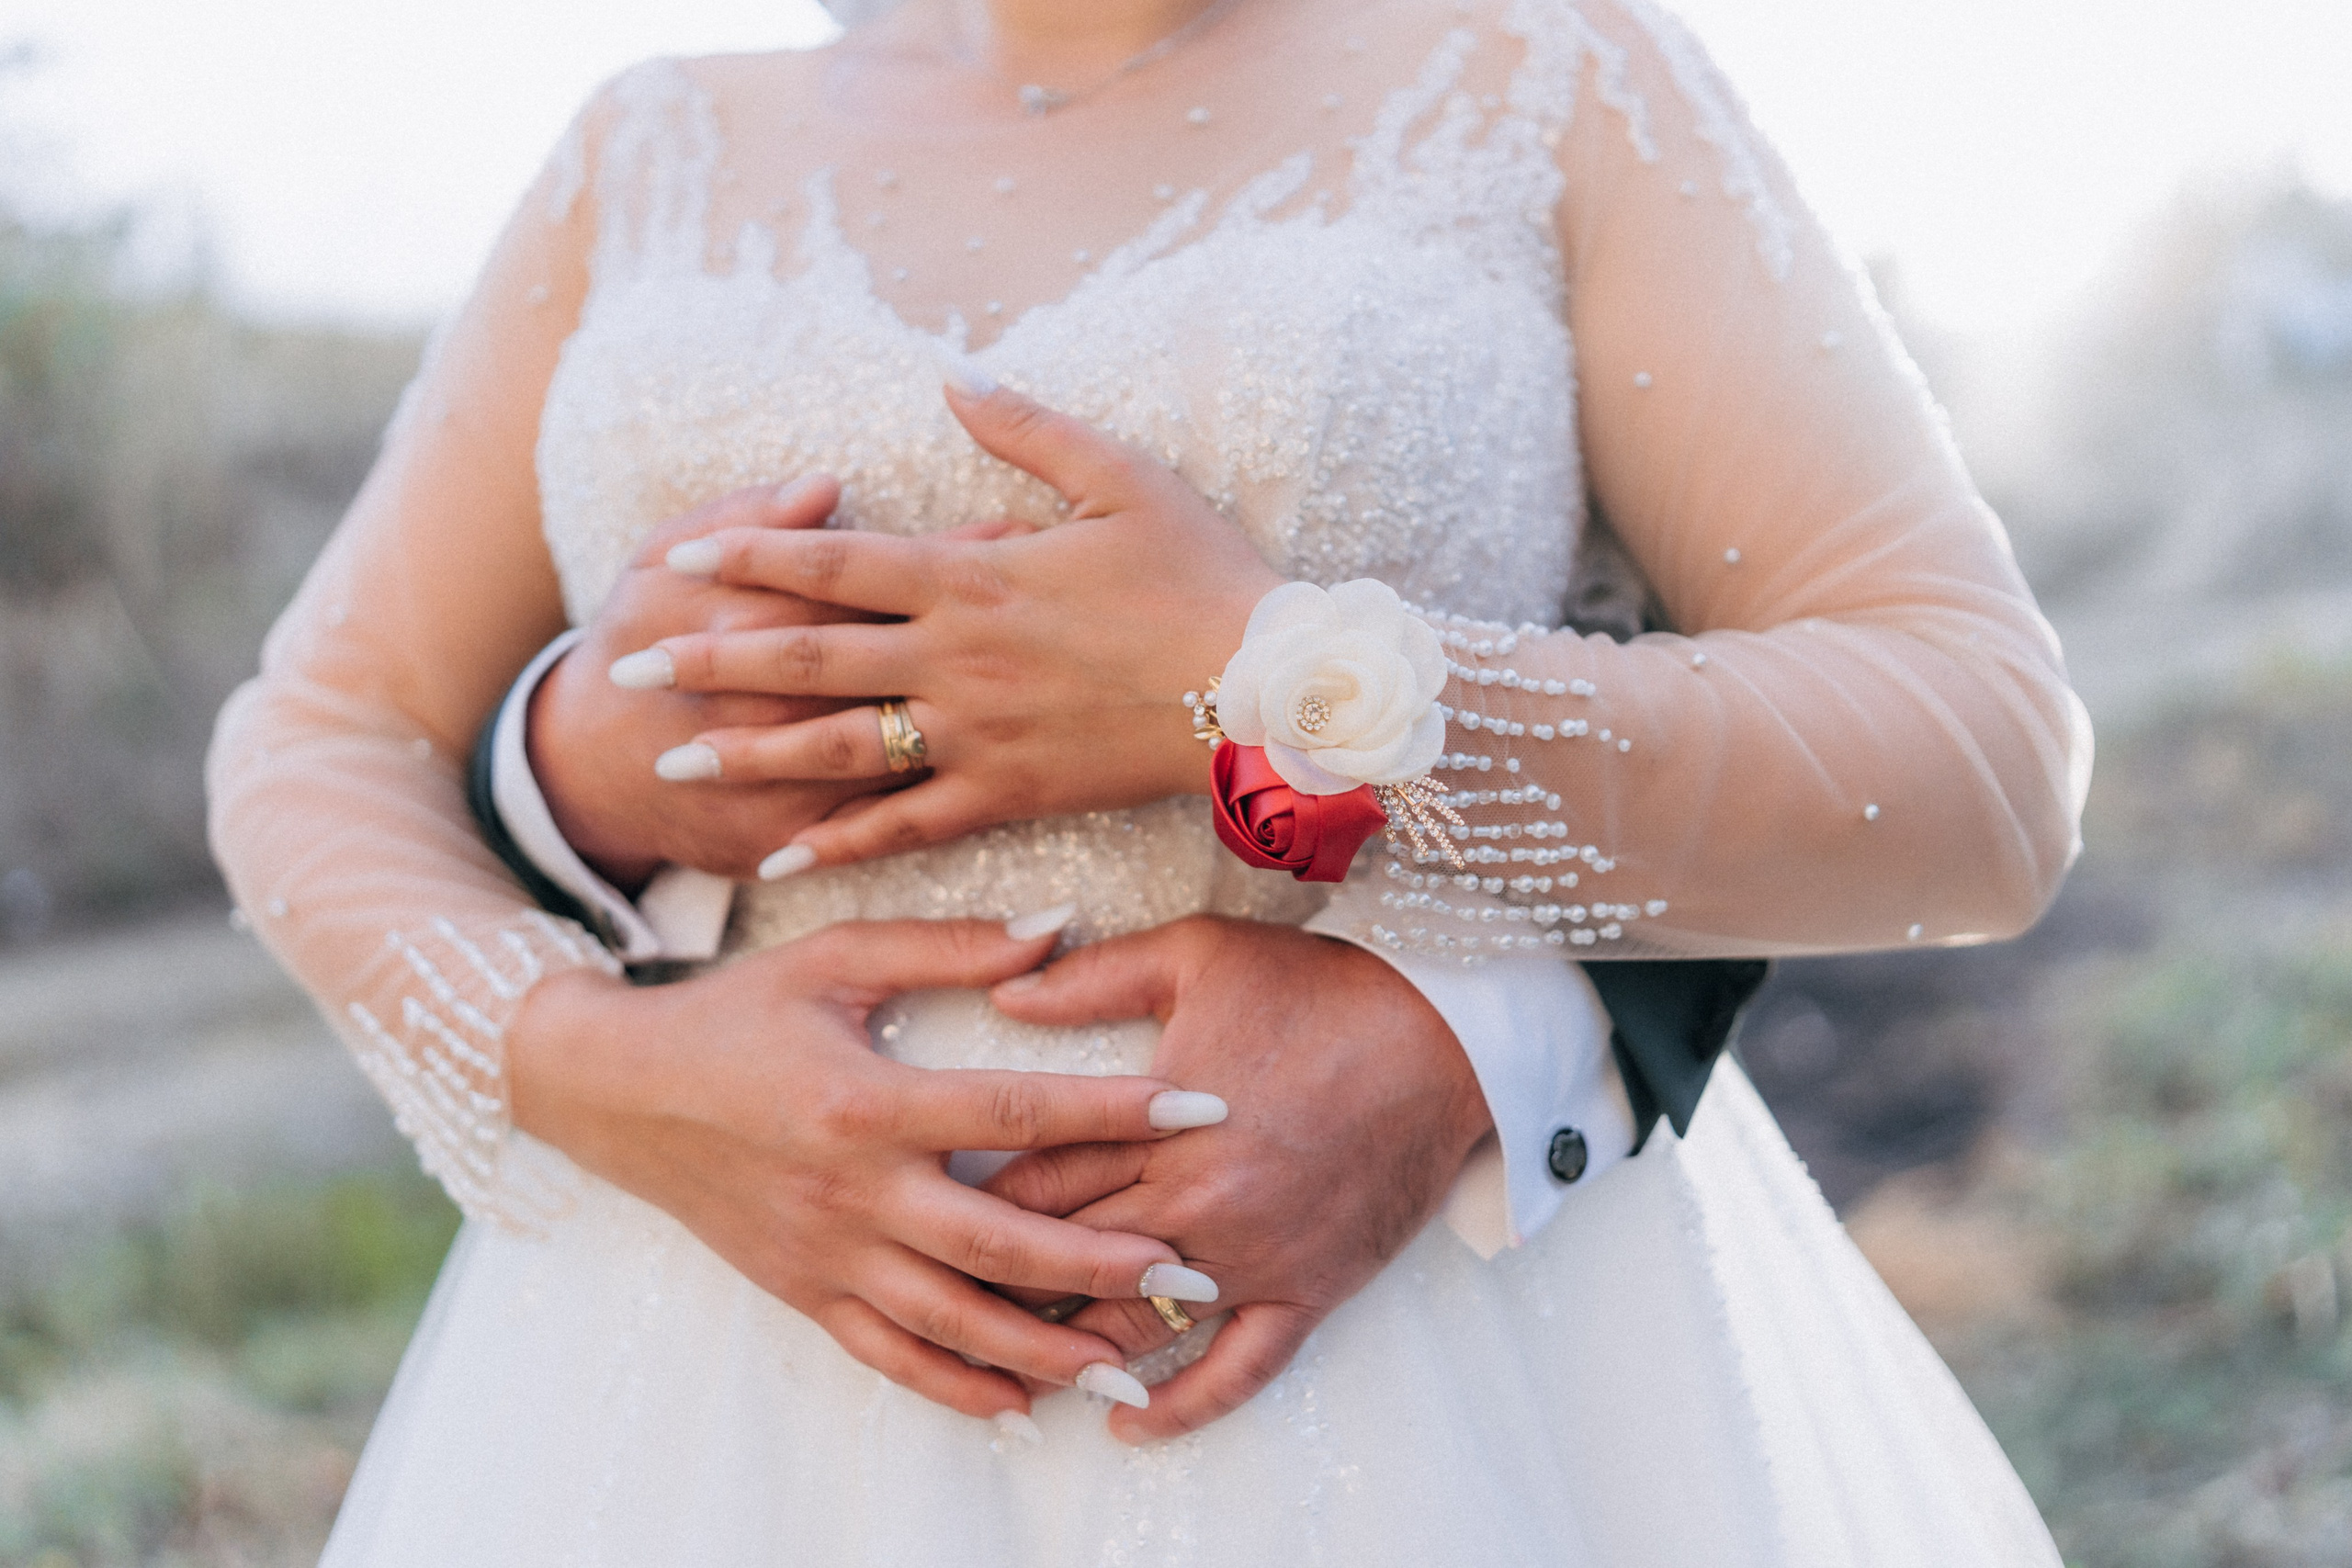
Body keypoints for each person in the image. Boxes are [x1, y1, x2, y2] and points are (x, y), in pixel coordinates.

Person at [204, 0, 2093, 1562]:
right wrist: (596, 1035)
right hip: (694, 1375)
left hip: (1423, 1372)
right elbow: (321, 735)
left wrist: (1268, 695)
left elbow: (1974, 758)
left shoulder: (1547, 75)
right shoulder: (645, 147)